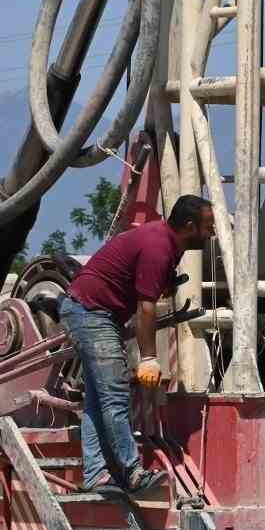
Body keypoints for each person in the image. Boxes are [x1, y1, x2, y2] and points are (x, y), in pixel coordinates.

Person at [59, 195, 216, 497]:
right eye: (208, 227)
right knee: (115, 393)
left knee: (98, 399)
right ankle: (132, 473)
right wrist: (149, 358)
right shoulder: (159, 247)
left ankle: (95, 474)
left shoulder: (167, 242)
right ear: (188, 225)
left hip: (91, 310)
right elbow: (147, 309)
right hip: (91, 312)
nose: (213, 233)